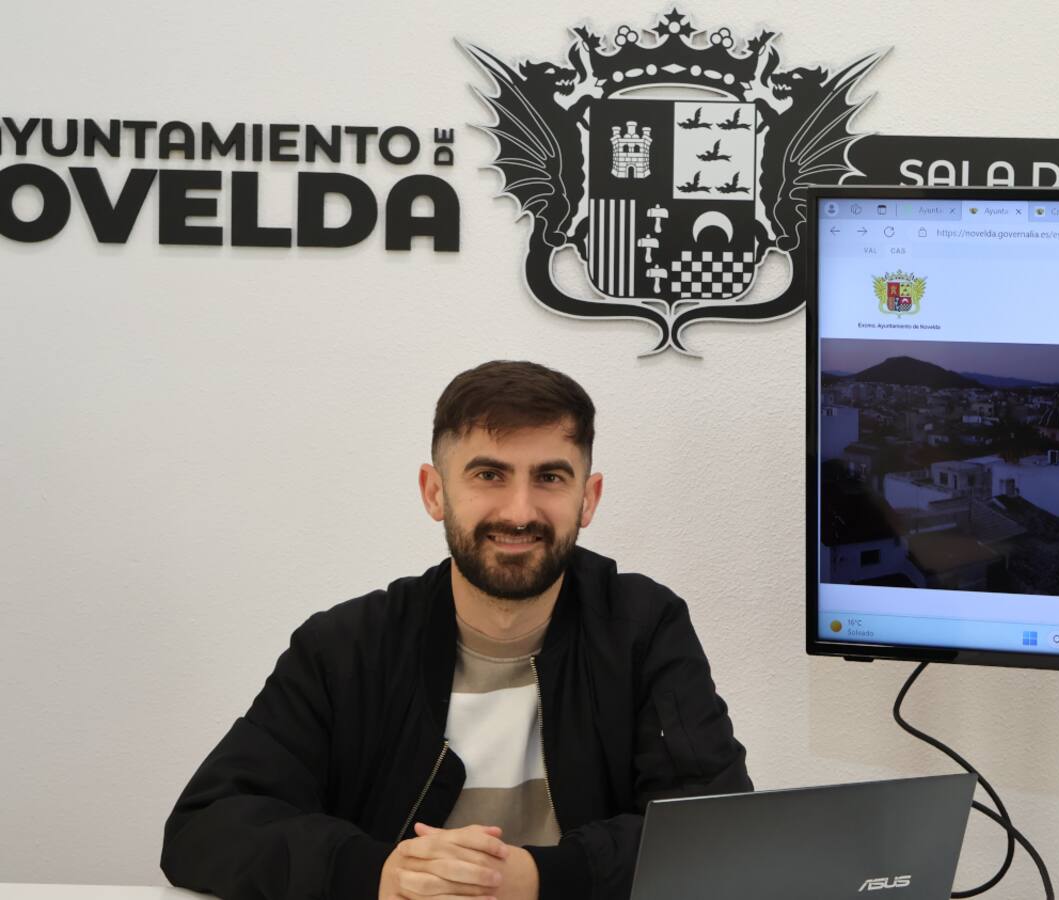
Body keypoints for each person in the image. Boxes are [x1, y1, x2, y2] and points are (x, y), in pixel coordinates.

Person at [161, 360, 751, 900]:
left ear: (588, 499)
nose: (519, 511)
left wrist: (538, 878)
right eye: (489, 474)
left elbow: (719, 832)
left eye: (549, 477)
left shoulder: (644, 629)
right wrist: (379, 873)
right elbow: (206, 826)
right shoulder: (346, 646)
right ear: (434, 492)